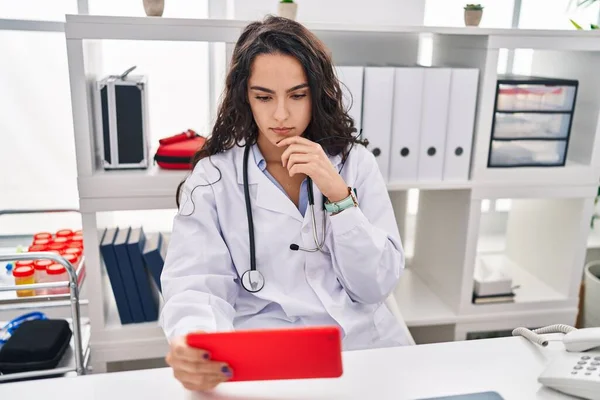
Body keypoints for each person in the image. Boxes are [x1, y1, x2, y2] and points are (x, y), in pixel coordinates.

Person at [161, 15, 409, 392]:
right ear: (245, 96)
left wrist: (338, 194)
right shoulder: (214, 179)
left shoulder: (355, 164)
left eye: (297, 95)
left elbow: (375, 285)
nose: (280, 115)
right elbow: (196, 286)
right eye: (264, 97)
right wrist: (198, 341)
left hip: (362, 350)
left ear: (318, 92)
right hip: (267, 359)